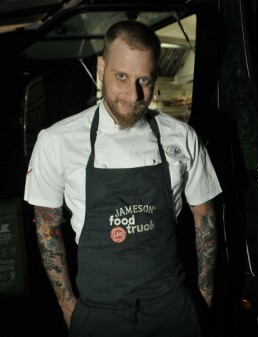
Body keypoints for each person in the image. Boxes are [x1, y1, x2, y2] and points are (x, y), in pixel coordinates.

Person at [24, 20, 222, 337]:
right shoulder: (57, 141)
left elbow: (204, 213)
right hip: (99, 314)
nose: (133, 94)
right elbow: (47, 225)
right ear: (101, 66)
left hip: (173, 309)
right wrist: (67, 304)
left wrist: (205, 292)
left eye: (144, 79)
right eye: (121, 77)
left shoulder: (182, 137)